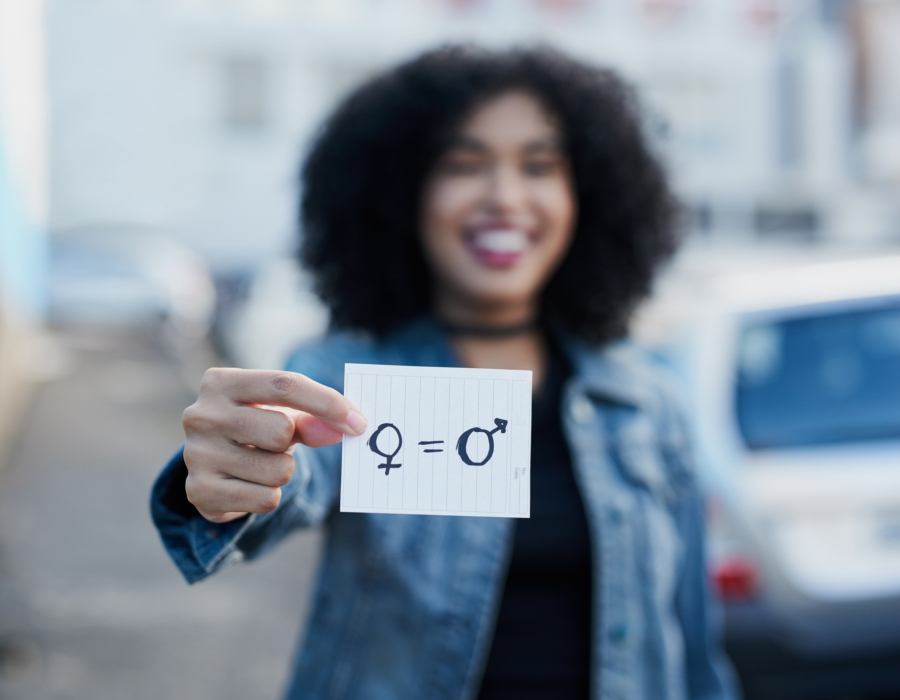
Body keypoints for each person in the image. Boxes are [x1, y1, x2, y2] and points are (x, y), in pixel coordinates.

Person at [151, 45, 738, 700]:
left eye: (539, 166)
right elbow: (295, 478)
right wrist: (232, 473)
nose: (505, 197)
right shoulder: (345, 377)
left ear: (588, 195)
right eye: (464, 164)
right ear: (404, 194)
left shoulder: (647, 400)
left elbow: (693, 651)